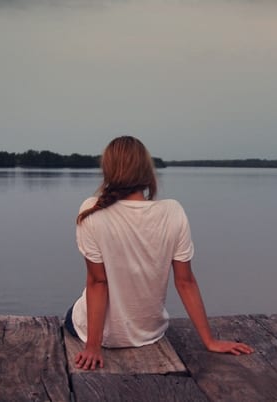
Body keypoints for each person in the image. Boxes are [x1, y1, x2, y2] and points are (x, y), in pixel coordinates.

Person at [65, 136, 253, 370]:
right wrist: (210, 341)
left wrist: (93, 346)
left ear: (108, 172)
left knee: (76, 308)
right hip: (148, 333)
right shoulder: (173, 212)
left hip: (99, 335)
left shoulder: (91, 211)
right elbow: (185, 282)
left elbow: (98, 283)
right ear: (147, 171)